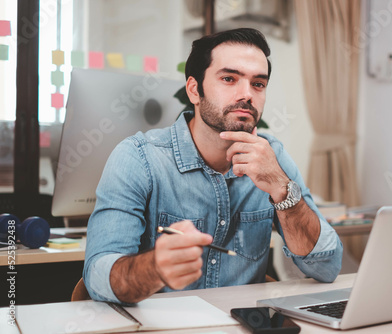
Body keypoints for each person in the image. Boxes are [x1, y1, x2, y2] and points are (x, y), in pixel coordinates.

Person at [83, 28, 343, 304]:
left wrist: (282, 189)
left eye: (258, 84)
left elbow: (326, 267)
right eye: (229, 79)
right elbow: (98, 279)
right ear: (195, 90)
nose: (247, 94)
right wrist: (154, 268)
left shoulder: (272, 156)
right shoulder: (138, 158)